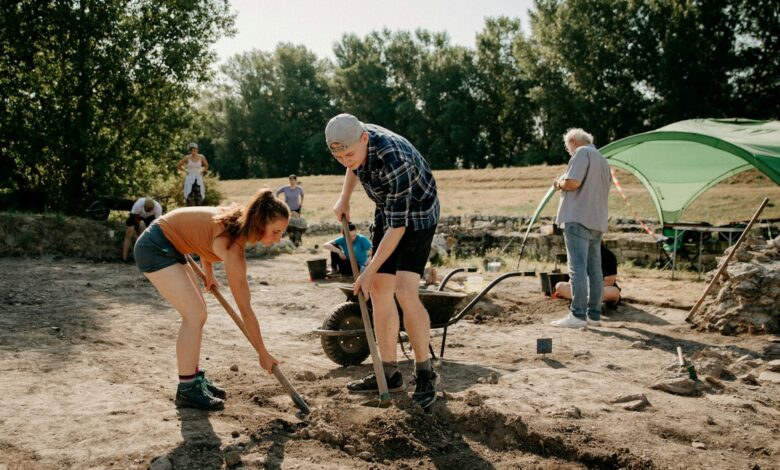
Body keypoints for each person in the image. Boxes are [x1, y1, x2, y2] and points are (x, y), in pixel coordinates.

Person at [133, 189, 289, 410]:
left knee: (199, 313)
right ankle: (187, 389)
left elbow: (205, 237)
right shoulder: (232, 247)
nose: (278, 238)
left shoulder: (236, 220)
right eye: (275, 231)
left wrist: (210, 273)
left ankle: (194, 377)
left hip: (171, 244)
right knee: (194, 315)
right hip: (155, 247)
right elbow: (245, 309)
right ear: (260, 223)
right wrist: (263, 353)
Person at [326, 113, 441, 409]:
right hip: (389, 211)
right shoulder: (353, 142)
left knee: (404, 291)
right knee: (379, 289)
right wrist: (344, 198)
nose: (346, 161)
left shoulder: (394, 160)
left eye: (349, 154)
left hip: (418, 215)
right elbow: (353, 166)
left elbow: (399, 229)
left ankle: (425, 373)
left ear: (364, 139)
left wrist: (368, 270)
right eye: (339, 157)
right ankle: (389, 373)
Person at [550, 128, 612, 328]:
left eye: (568, 147)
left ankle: (577, 315)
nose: (568, 151)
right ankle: (594, 315)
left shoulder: (581, 153)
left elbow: (573, 182)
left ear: (574, 141)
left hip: (578, 218)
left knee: (577, 268)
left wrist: (559, 183)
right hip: (597, 220)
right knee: (595, 270)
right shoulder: (603, 161)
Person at [554, 243, 621, 306]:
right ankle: (587, 301)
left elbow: (609, 282)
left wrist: (589, 289)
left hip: (599, 289)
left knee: (614, 291)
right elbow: (573, 278)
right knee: (559, 286)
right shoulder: (579, 255)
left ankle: (584, 301)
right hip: (582, 289)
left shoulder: (608, 256)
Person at [122, 196, 162, 261]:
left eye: (149, 209)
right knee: (130, 232)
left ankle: (150, 257)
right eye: (146, 209)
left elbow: (156, 224)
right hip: (137, 215)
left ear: (153, 208)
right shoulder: (138, 204)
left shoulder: (158, 208)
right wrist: (137, 232)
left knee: (153, 235)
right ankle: (124, 257)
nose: (147, 211)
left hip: (150, 217)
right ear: (144, 206)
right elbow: (136, 219)